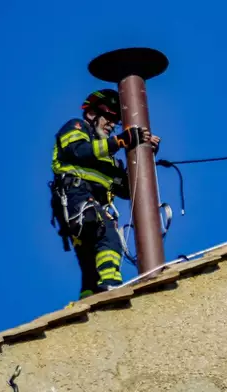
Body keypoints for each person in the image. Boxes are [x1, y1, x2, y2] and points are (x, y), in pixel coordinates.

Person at [48, 88, 161, 300]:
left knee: (90, 262)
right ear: (92, 114)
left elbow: (129, 191)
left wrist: (147, 154)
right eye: (109, 116)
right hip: (76, 196)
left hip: (85, 207)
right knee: (107, 235)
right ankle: (111, 286)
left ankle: (89, 300)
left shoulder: (110, 161)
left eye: (116, 119)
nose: (112, 123)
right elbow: (78, 151)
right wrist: (120, 141)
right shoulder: (77, 126)